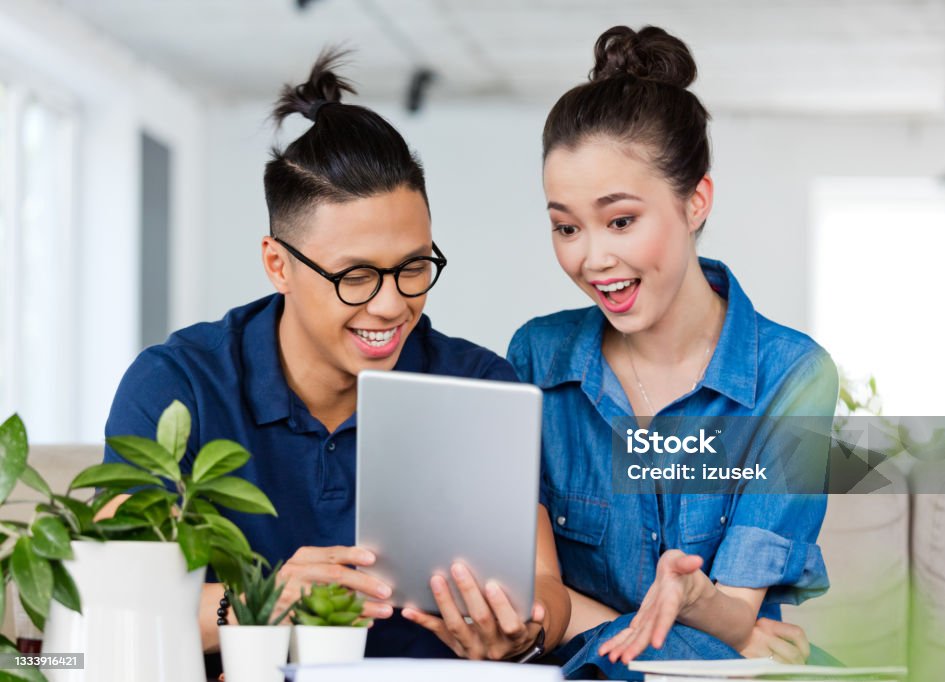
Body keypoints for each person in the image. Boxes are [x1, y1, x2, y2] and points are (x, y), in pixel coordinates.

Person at [102, 50, 568, 672]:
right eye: (354, 277)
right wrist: (260, 604)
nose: (389, 305)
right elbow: (115, 606)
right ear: (278, 264)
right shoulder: (178, 386)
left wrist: (523, 636)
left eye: (413, 267)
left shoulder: (478, 383)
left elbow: (546, 585)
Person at [507, 26, 838, 680]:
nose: (593, 258)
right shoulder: (536, 360)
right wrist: (664, 627)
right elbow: (535, 589)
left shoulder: (793, 376)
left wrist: (701, 604)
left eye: (621, 220)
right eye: (567, 227)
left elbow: (734, 619)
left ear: (695, 202)